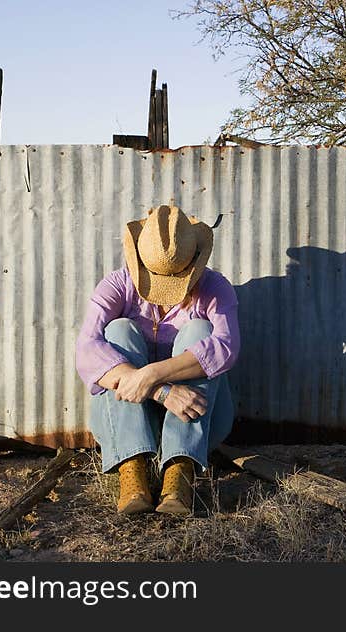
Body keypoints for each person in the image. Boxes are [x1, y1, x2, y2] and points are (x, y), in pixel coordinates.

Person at [75, 204, 240, 516]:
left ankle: (180, 471)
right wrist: (160, 390)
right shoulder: (116, 285)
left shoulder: (215, 288)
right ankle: (132, 472)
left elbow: (226, 347)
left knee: (199, 330)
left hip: (198, 417)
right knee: (118, 330)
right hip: (127, 419)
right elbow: (86, 349)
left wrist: (152, 374)